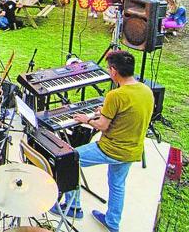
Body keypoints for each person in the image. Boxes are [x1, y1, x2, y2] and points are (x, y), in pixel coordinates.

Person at [53, 50, 153, 232]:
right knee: (117, 186)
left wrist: (87, 119)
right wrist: (106, 111)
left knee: (70, 160)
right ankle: (112, 222)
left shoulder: (116, 95)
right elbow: (129, 115)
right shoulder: (145, 90)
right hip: (132, 150)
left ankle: (73, 207)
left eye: (108, 69)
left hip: (111, 149)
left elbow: (103, 126)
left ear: (114, 71)